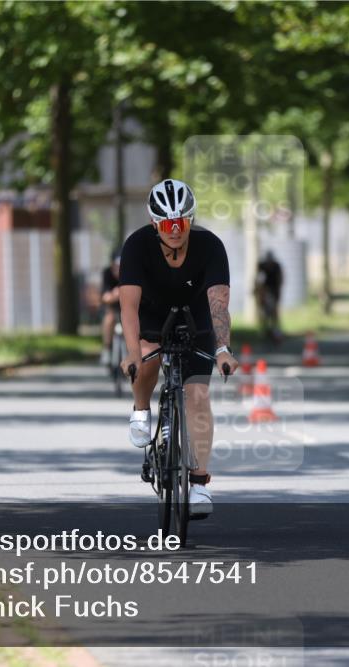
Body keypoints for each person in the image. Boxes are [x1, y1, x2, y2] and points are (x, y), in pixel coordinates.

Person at [118, 178, 238, 516]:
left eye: (181, 222)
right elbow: (128, 307)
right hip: (151, 316)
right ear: (156, 224)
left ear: (191, 220)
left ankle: (199, 484)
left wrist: (223, 349)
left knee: (197, 396)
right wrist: (131, 353)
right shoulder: (137, 246)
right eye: (168, 224)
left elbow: (218, 304)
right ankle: (141, 409)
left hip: (196, 319)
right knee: (145, 361)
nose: (175, 230)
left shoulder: (210, 246)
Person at [255, 250, 284, 342]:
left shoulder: (276, 267)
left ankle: (275, 331)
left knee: (274, 313)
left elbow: (280, 279)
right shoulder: (261, 266)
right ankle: (265, 331)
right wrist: (259, 292)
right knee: (264, 313)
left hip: (273, 291)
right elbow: (258, 280)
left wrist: (278, 292)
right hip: (264, 292)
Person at [99, 250, 121, 366]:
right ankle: (107, 349)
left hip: (127, 309)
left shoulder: (130, 272)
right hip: (111, 308)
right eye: (116, 266)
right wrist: (115, 295)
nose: (119, 269)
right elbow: (105, 297)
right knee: (109, 319)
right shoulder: (107, 273)